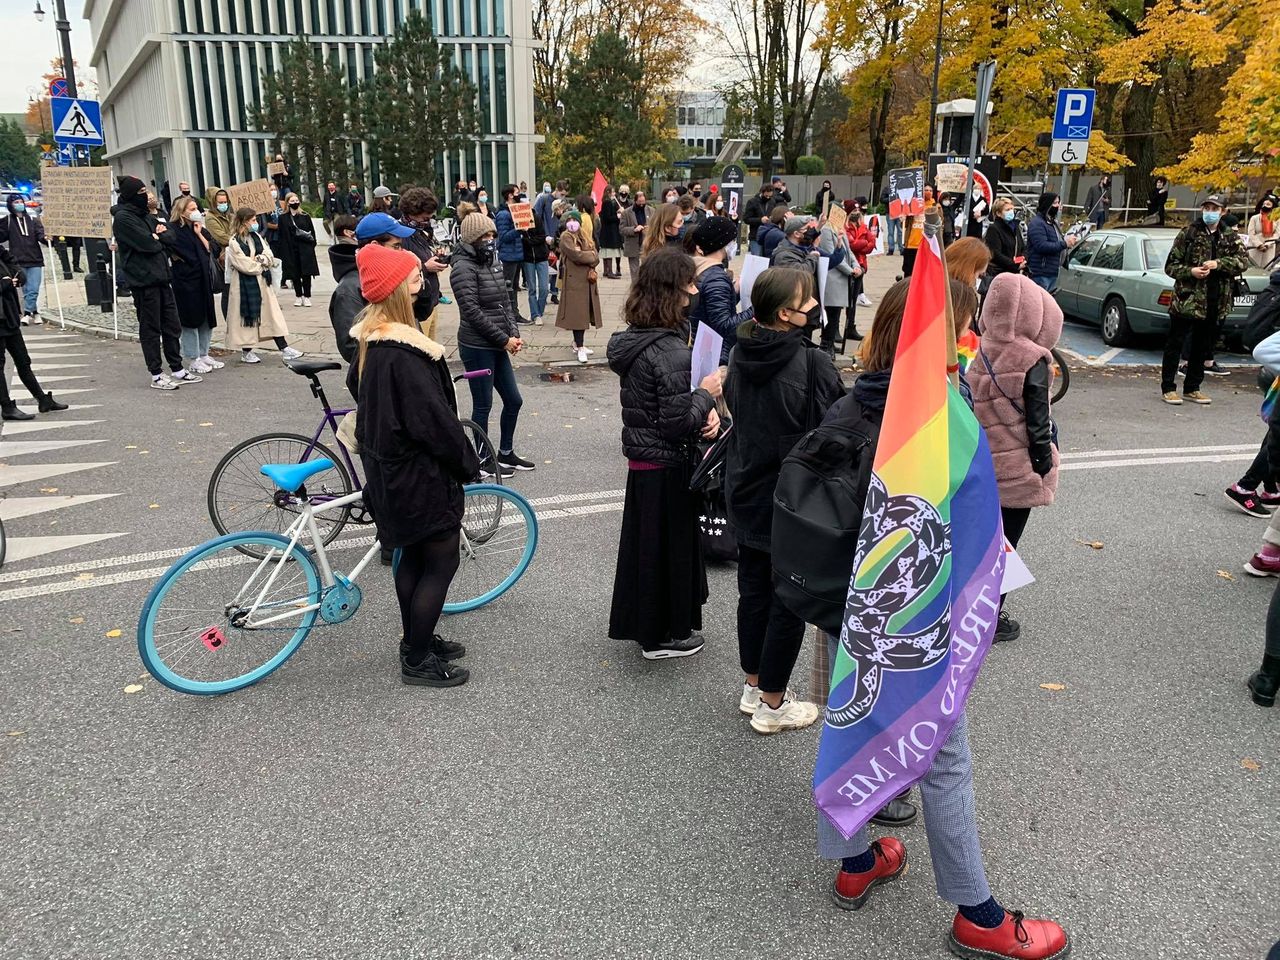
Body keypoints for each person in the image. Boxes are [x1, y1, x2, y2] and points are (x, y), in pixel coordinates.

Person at [818, 280, 1070, 960]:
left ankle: (853, 864)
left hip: (851, 604)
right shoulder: (937, 417)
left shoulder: (850, 397)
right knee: (945, 757)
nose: (967, 339)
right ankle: (976, 914)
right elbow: (964, 518)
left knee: (850, 719)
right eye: (959, 326)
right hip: (916, 617)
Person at [346, 243, 478, 688]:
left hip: (387, 472)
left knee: (412, 558)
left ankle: (414, 639)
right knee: (440, 562)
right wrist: (466, 461)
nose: (426, 286)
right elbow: (435, 424)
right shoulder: (408, 354)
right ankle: (418, 658)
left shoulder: (370, 340)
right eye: (418, 280)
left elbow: (358, 391)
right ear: (399, 291)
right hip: (418, 476)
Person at [725, 266, 842, 731]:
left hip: (745, 486)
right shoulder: (811, 363)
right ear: (784, 312)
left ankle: (755, 685)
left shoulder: (740, 351)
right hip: (793, 498)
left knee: (752, 589)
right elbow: (833, 429)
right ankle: (774, 704)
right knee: (790, 598)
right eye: (806, 301)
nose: (813, 307)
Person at [606, 247, 722, 660]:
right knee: (665, 551)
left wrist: (700, 407)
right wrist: (706, 395)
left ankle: (650, 628)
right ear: (672, 291)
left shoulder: (638, 340)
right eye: (688, 283)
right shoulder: (670, 348)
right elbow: (676, 422)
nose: (694, 292)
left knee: (647, 548)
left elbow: (666, 411)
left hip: (645, 461)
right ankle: (661, 637)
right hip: (667, 461)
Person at [968, 272, 1061, 643]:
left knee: (980, 544)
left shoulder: (983, 345)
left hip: (981, 462)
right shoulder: (1033, 356)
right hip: (1016, 469)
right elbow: (1039, 419)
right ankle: (988, 618)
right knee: (1005, 548)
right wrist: (1043, 463)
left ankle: (963, 609)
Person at [450, 212, 533, 477]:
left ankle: (505, 453)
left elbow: (505, 301)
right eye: (485, 236)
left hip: (499, 343)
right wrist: (504, 339)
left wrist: (514, 333)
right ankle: (482, 459)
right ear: (473, 238)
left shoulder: (493, 262)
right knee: (483, 404)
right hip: (477, 346)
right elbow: (472, 311)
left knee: (514, 400)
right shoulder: (462, 267)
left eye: (492, 235)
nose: (490, 241)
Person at [112, 176, 203, 390]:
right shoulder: (124, 218)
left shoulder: (145, 215)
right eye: (141, 192)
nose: (145, 196)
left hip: (162, 277)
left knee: (171, 324)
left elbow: (170, 236)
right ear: (132, 195)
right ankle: (156, 373)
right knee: (151, 328)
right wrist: (156, 238)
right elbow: (147, 244)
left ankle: (177, 367)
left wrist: (158, 236)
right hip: (143, 280)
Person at [1161, 195, 1248, 406]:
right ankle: (1168, 387)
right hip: (1187, 299)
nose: (1210, 211)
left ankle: (1192, 387)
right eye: (1207, 207)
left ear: (1223, 212)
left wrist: (1219, 264)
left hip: (1214, 299)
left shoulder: (1229, 236)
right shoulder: (1189, 233)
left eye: (1214, 208)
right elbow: (1171, 265)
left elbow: (1243, 262)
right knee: (1176, 343)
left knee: (1202, 345)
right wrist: (1191, 271)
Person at [224, 207, 302, 364]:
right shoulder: (234, 242)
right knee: (248, 319)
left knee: (271, 316)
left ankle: (284, 348)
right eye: (252, 220)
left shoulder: (257, 237)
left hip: (263, 285)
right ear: (244, 222)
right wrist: (261, 264)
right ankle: (247, 352)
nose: (256, 223)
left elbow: (269, 255)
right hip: (244, 286)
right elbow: (244, 265)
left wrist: (262, 260)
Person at [0, 243, 67, 420]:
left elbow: (11, 260)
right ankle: (7, 406)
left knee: (23, 360)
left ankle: (42, 399)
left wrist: (17, 274)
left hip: (9, 315)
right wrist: (5, 283)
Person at [167, 196, 223, 376]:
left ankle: (204, 353)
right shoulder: (174, 230)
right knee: (190, 319)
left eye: (196, 208)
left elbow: (213, 249)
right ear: (182, 212)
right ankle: (193, 357)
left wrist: (199, 233)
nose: (195, 211)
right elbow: (186, 254)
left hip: (203, 280)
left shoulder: (199, 228)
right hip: (186, 281)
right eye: (191, 209)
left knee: (206, 318)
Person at [687, 217, 753, 365]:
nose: (734, 244)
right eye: (732, 240)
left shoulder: (697, 267)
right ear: (723, 243)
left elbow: (709, 306)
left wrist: (733, 294)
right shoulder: (716, 277)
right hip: (715, 353)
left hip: (698, 343)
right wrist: (757, 309)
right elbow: (724, 326)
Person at [395, 189, 449, 341]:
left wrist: (436, 257)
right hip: (416, 305)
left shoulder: (420, 231)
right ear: (411, 213)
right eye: (425, 218)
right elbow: (401, 272)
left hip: (430, 300)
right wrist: (425, 267)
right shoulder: (401, 236)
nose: (428, 222)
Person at [557, 206, 604, 364]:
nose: (572, 223)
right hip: (574, 282)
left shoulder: (584, 236)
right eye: (569, 220)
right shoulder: (566, 237)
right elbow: (576, 255)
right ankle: (580, 346)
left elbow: (596, 255)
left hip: (587, 281)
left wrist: (590, 255)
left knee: (585, 313)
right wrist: (589, 255)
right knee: (578, 315)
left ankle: (578, 344)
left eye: (574, 220)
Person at [1, 195, 46, 325]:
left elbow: (40, 235)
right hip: (18, 260)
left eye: (21, 202)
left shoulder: (33, 220)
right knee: (26, 289)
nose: (19, 204)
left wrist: (47, 238)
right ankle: (36, 313)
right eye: (16, 202)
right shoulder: (8, 221)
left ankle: (26, 313)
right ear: (11, 205)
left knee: (34, 288)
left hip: (35, 258)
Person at [819, 212, 856, 354]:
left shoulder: (839, 229)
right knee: (831, 313)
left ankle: (830, 344)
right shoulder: (826, 231)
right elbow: (832, 255)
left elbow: (849, 251)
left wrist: (856, 265)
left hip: (842, 279)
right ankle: (826, 344)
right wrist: (850, 271)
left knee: (836, 313)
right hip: (832, 278)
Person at [493, 184, 529, 324]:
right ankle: (510, 314)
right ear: (510, 195)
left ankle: (514, 313)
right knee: (509, 286)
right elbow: (503, 236)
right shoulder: (503, 214)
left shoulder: (515, 211)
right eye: (517, 192)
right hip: (509, 255)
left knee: (514, 286)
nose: (519, 194)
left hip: (516, 253)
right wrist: (519, 230)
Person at [1025, 192, 1075, 292]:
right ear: (1047, 205)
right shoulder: (1037, 223)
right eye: (1055, 203)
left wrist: (1067, 242)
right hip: (1040, 273)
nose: (1058, 206)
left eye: (1058, 203)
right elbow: (1041, 246)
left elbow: (1056, 242)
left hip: (1051, 271)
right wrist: (1064, 244)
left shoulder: (1052, 223)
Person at [843, 200, 877, 342]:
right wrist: (863, 243)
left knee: (853, 300)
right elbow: (851, 246)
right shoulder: (844, 227)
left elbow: (872, 243)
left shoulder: (863, 226)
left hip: (861, 266)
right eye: (854, 211)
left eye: (858, 211)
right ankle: (840, 329)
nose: (857, 213)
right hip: (849, 266)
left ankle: (851, 326)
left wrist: (861, 244)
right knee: (845, 300)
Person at [280, 192, 319, 306]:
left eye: (296, 201)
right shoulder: (283, 218)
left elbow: (312, 233)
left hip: (305, 250)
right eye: (292, 201)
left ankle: (307, 296)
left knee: (306, 274)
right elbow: (282, 235)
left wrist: (311, 246)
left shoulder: (305, 216)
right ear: (287, 203)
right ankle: (298, 295)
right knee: (295, 274)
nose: (295, 203)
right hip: (291, 250)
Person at [520, 202, 551, 326]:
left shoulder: (536, 218)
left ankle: (538, 312)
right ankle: (535, 314)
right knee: (532, 288)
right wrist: (524, 234)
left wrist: (528, 239)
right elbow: (520, 240)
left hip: (541, 257)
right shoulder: (519, 223)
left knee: (544, 288)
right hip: (528, 259)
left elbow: (541, 236)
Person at [984, 198, 1024, 277]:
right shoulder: (994, 229)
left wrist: (1023, 260)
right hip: (999, 273)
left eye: (1012, 209)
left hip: (1014, 271)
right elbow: (995, 254)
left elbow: (1022, 246)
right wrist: (1014, 265)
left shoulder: (1015, 227)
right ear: (998, 213)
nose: (1011, 211)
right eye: (1007, 209)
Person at [744, 182, 779, 255]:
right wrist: (760, 220)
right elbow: (746, 219)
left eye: (770, 196)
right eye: (766, 196)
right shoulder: (752, 202)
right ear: (762, 193)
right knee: (757, 259)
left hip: (768, 236)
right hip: (755, 236)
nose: (768, 198)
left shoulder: (772, 201)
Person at [619, 191, 648, 278]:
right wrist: (634, 229)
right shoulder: (626, 213)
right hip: (632, 244)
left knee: (647, 268)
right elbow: (622, 229)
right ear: (635, 201)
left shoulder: (651, 211)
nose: (642, 205)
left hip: (646, 244)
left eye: (643, 202)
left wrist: (649, 228)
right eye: (639, 202)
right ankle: (635, 287)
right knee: (634, 270)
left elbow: (656, 226)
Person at [598, 186, 624, 279]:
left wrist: (617, 210)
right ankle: (610, 271)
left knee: (607, 251)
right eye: (613, 192)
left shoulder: (609, 202)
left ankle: (606, 270)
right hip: (609, 231)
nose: (614, 194)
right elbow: (607, 217)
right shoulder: (607, 202)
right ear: (608, 192)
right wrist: (618, 216)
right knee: (609, 252)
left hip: (609, 231)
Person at [1248, 197, 1278, 270]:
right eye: (1264, 204)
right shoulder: (1254, 218)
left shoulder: (1277, 219)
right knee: (1253, 269)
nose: (1265, 206)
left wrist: (1267, 245)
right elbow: (1251, 233)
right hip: (1255, 247)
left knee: (1267, 269)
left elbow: (1277, 234)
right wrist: (1259, 245)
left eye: (1268, 204)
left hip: (1269, 248)